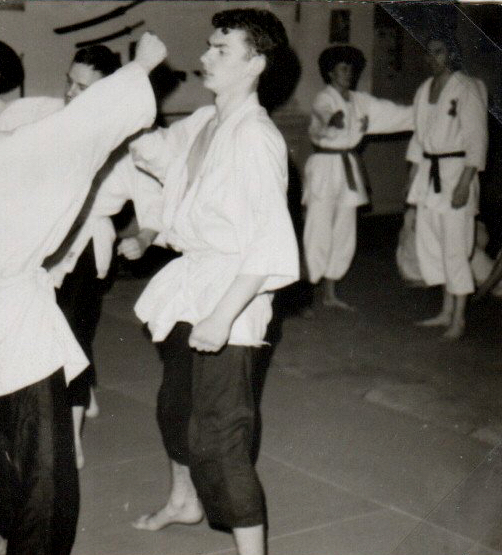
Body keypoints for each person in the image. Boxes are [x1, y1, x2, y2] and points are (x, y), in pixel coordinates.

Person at [0, 33, 164, 555]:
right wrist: (141, 68)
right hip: (20, 335)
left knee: (11, 471)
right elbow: (71, 132)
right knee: (48, 491)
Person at [125, 10, 299, 555]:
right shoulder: (206, 120)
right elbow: (157, 156)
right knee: (175, 410)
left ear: (256, 64)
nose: (204, 57)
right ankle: (184, 501)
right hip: (190, 285)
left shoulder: (256, 137)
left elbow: (269, 240)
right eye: (208, 46)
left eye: (222, 50)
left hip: (232, 294)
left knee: (221, 437)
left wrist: (222, 316)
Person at [46, 44, 164, 469]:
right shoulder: (56, 123)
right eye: (69, 82)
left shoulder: (129, 141)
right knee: (47, 332)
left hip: (87, 248)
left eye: (83, 87)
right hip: (46, 243)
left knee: (73, 337)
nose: (71, 93)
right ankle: (84, 393)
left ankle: (71, 439)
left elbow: (153, 201)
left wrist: (144, 238)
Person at [303, 45, 414, 310]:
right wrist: (334, 120)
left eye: (351, 69)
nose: (349, 73)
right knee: (318, 230)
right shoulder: (323, 98)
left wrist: (424, 113)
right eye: (343, 68)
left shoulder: (360, 101)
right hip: (325, 167)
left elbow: (392, 113)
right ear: (330, 73)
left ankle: (330, 293)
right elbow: (323, 115)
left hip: (347, 167)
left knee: (344, 231)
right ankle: (304, 294)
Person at [406, 32, 488, 339]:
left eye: (438, 51)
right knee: (434, 244)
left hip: (456, 173)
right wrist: (412, 178)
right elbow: (418, 139)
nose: (432, 58)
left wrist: (465, 184)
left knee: (455, 247)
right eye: (428, 52)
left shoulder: (467, 88)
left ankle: (459, 318)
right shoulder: (424, 89)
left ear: (451, 54)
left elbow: (477, 139)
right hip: (429, 174)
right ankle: (444, 311)